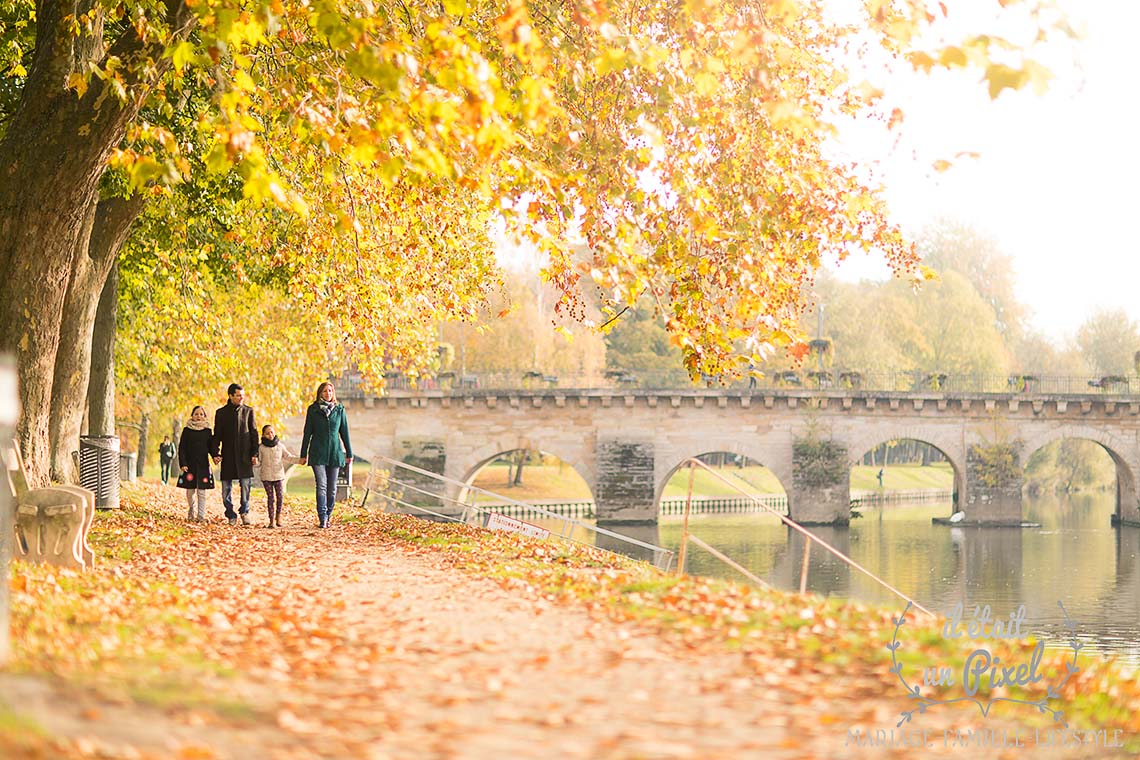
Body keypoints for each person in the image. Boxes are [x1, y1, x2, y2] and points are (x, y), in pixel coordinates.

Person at [300, 381, 352, 529]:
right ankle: (322, 517)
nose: (327, 394)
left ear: (333, 393)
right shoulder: (313, 410)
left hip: (335, 453)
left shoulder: (339, 410)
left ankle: (328, 515)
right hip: (317, 453)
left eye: (330, 391)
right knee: (321, 485)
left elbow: (344, 432)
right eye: (324, 391)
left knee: (332, 488)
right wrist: (303, 454)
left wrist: (349, 452)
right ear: (320, 394)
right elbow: (307, 433)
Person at [212, 383, 260, 526]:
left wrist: (254, 453)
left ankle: (245, 512)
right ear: (231, 396)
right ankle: (230, 514)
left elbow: (254, 434)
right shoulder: (221, 413)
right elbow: (217, 435)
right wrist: (215, 453)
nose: (241, 398)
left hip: (245, 456)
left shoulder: (248, 411)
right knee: (226, 487)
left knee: (246, 485)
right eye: (238, 395)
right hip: (228, 456)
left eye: (243, 396)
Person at [177, 406, 215, 521]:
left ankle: (201, 515)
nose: (199, 416)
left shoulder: (207, 431)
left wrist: (215, 456)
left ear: (205, 417)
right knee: (190, 491)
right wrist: (183, 463)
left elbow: (211, 447)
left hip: (203, 465)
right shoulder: (187, 430)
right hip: (189, 465)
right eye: (196, 414)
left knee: (202, 491)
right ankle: (191, 509)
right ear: (192, 416)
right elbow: (182, 448)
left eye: (201, 414)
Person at [257, 423, 297, 528]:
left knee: (280, 496)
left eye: (271, 432)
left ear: (274, 433)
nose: (270, 435)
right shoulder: (261, 448)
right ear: (263, 435)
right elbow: (258, 463)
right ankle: (271, 521)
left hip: (279, 475)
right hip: (266, 476)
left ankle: (278, 517)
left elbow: (288, 457)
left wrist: (299, 460)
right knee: (271, 498)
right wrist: (254, 461)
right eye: (267, 433)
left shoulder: (280, 446)